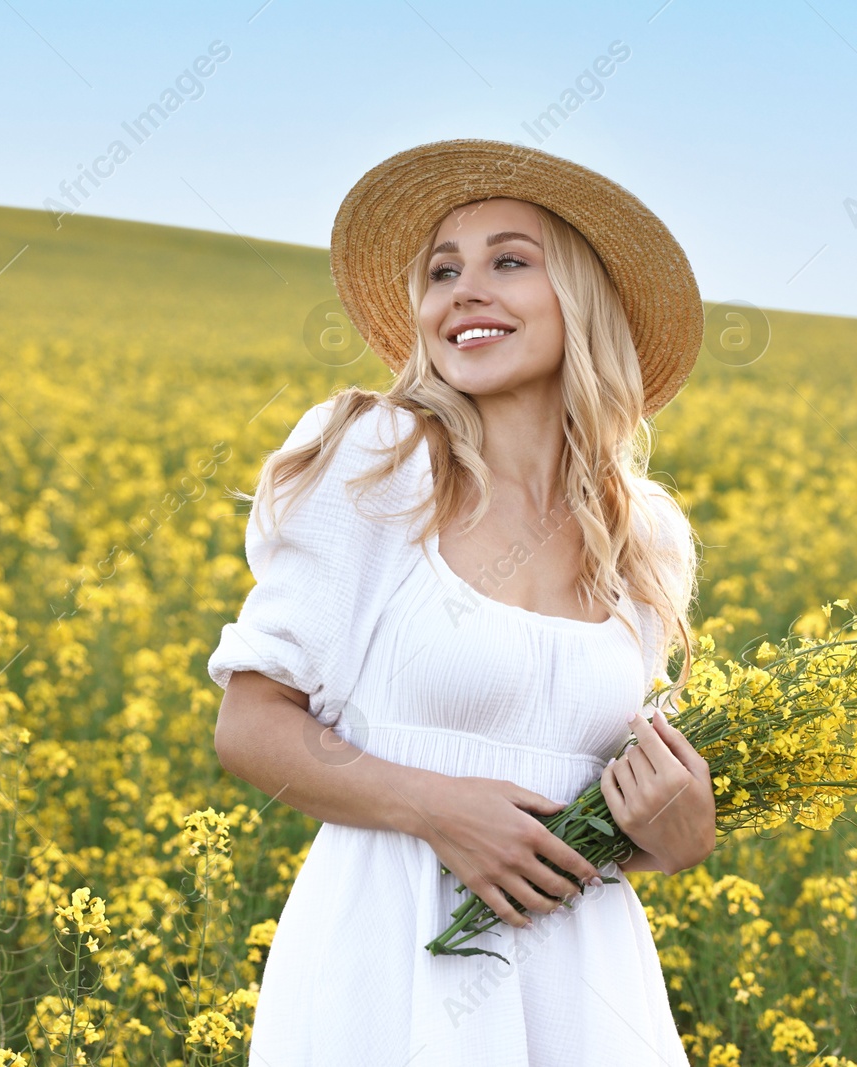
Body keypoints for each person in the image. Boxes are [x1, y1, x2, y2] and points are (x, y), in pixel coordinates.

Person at [209, 138, 713, 1065]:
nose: (462, 290)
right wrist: (436, 807)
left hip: (584, 980)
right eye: (442, 270)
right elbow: (249, 724)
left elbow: (604, 806)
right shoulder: (378, 457)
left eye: (508, 261)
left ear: (585, 303)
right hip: (388, 965)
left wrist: (677, 836)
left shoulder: (643, 536)